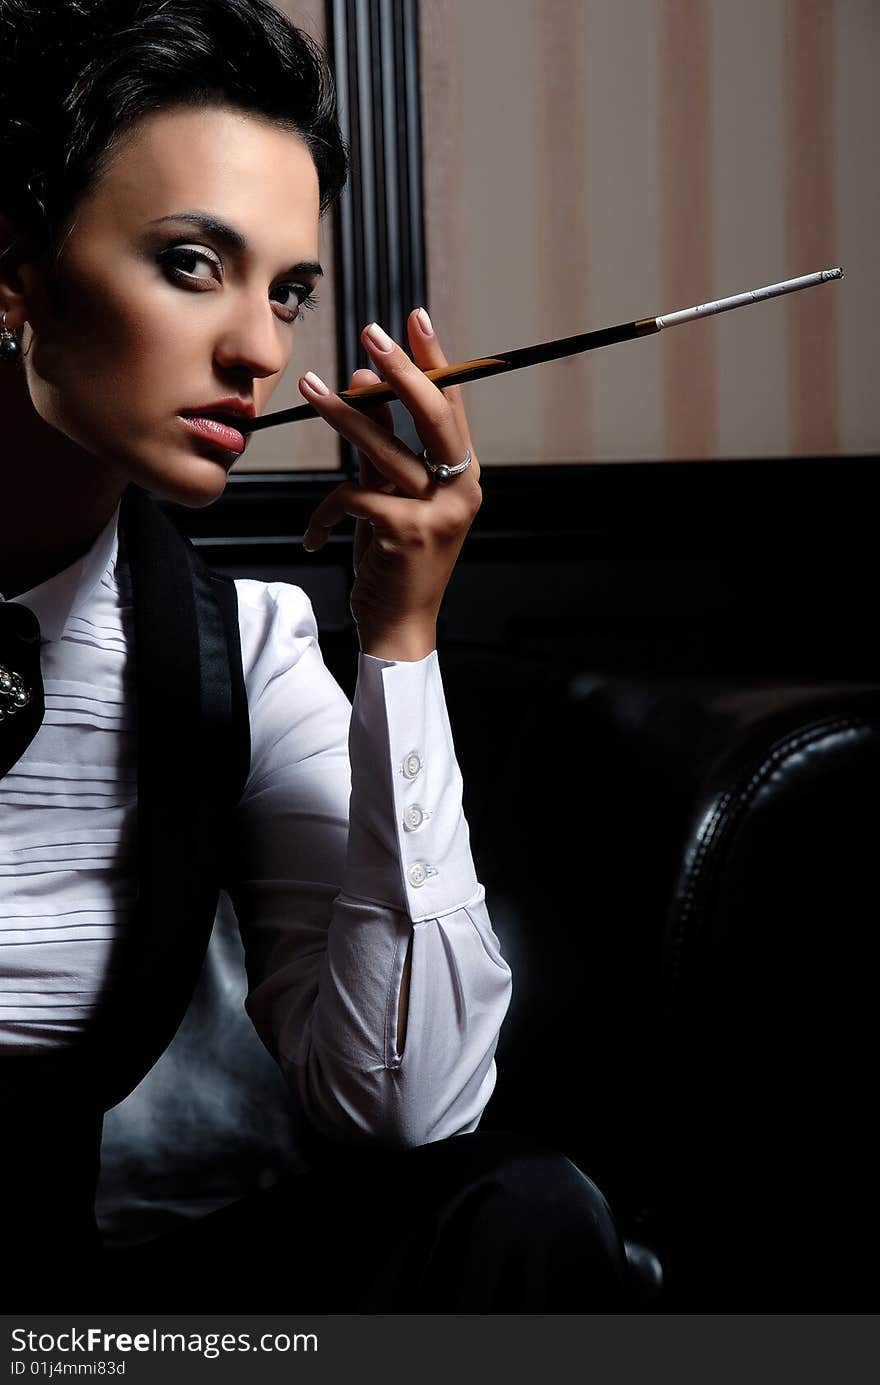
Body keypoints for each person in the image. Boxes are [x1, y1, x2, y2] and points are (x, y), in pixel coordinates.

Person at [0, 0, 627, 1311]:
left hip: (66, 1331)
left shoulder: (242, 650)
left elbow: (406, 1105)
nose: (263, 350)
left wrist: (402, 639)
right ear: (16, 271)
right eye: (191, 263)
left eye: (286, 290)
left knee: (510, 1207)